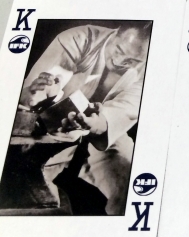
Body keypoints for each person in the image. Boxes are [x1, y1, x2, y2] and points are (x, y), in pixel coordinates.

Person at [17, 23, 151, 215]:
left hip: (102, 131)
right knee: (34, 197)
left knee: (131, 175)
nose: (120, 61)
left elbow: (125, 110)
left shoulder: (149, 68)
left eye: (132, 60)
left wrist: (96, 123)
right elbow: (35, 92)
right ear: (115, 34)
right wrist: (39, 93)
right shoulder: (79, 39)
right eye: (119, 50)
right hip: (48, 125)